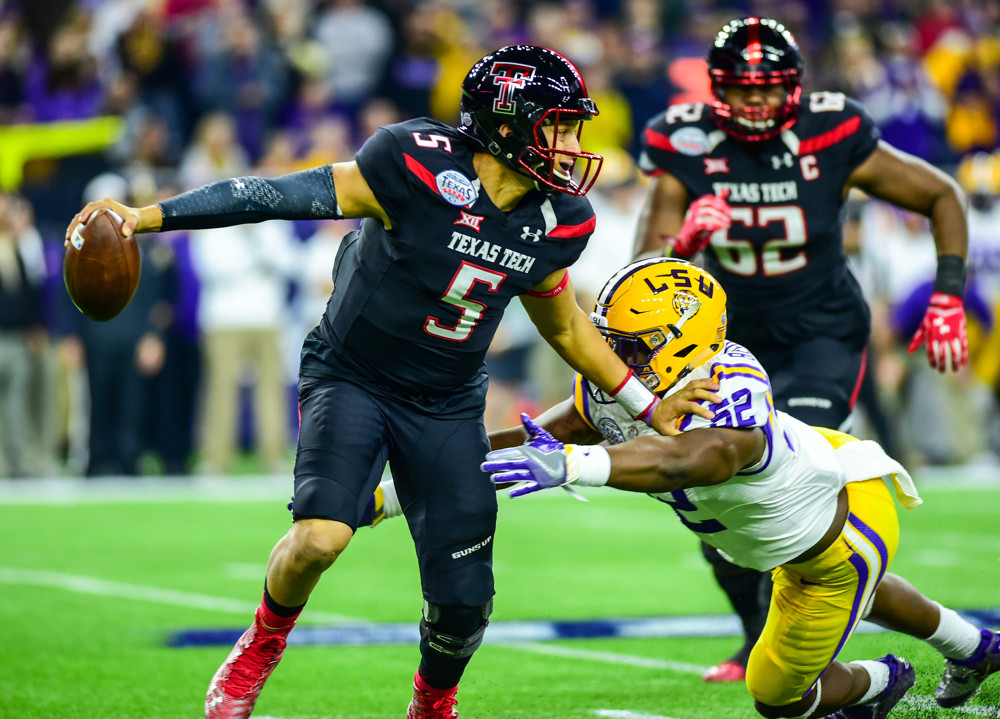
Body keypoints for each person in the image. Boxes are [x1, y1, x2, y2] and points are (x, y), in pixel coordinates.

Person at [65, 45, 714, 719]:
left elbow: (568, 328)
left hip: (446, 400)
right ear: (508, 122)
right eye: (557, 125)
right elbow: (275, 195)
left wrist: (650, 403)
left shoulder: (561, 221)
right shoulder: (415, 161)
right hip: (355, 374)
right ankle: (263, 639)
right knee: (321, 535)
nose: (571, 144)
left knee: (464, 600)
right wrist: (148, 217)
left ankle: (432, 702)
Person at [482, 257, 1000, 719]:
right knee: (858, 595)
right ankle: (976, 647)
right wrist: (432, 458)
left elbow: (694, 460)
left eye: (628, 345)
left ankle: (883, 680)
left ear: (680, 340)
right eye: (606, 340)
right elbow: (552, 433)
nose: (610, 356)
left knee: (777, 698)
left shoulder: (728, 379)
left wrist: (577, 464)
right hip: (796, 515)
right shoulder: (629, 382)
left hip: (841, 531)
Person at [631, 16, 971, 682]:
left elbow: (940, 193)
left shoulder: (831, 126)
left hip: (821, 329)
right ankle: (757, 634)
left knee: (794, 483)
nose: (756, 103)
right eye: (742, 89)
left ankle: (807, 639)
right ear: (718, 90)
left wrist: (948, 296)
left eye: (769, 88)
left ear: (793, 87)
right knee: (715, 495)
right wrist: (687, 245)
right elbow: (646, 261)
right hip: (727, 341)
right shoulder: (684, 139)